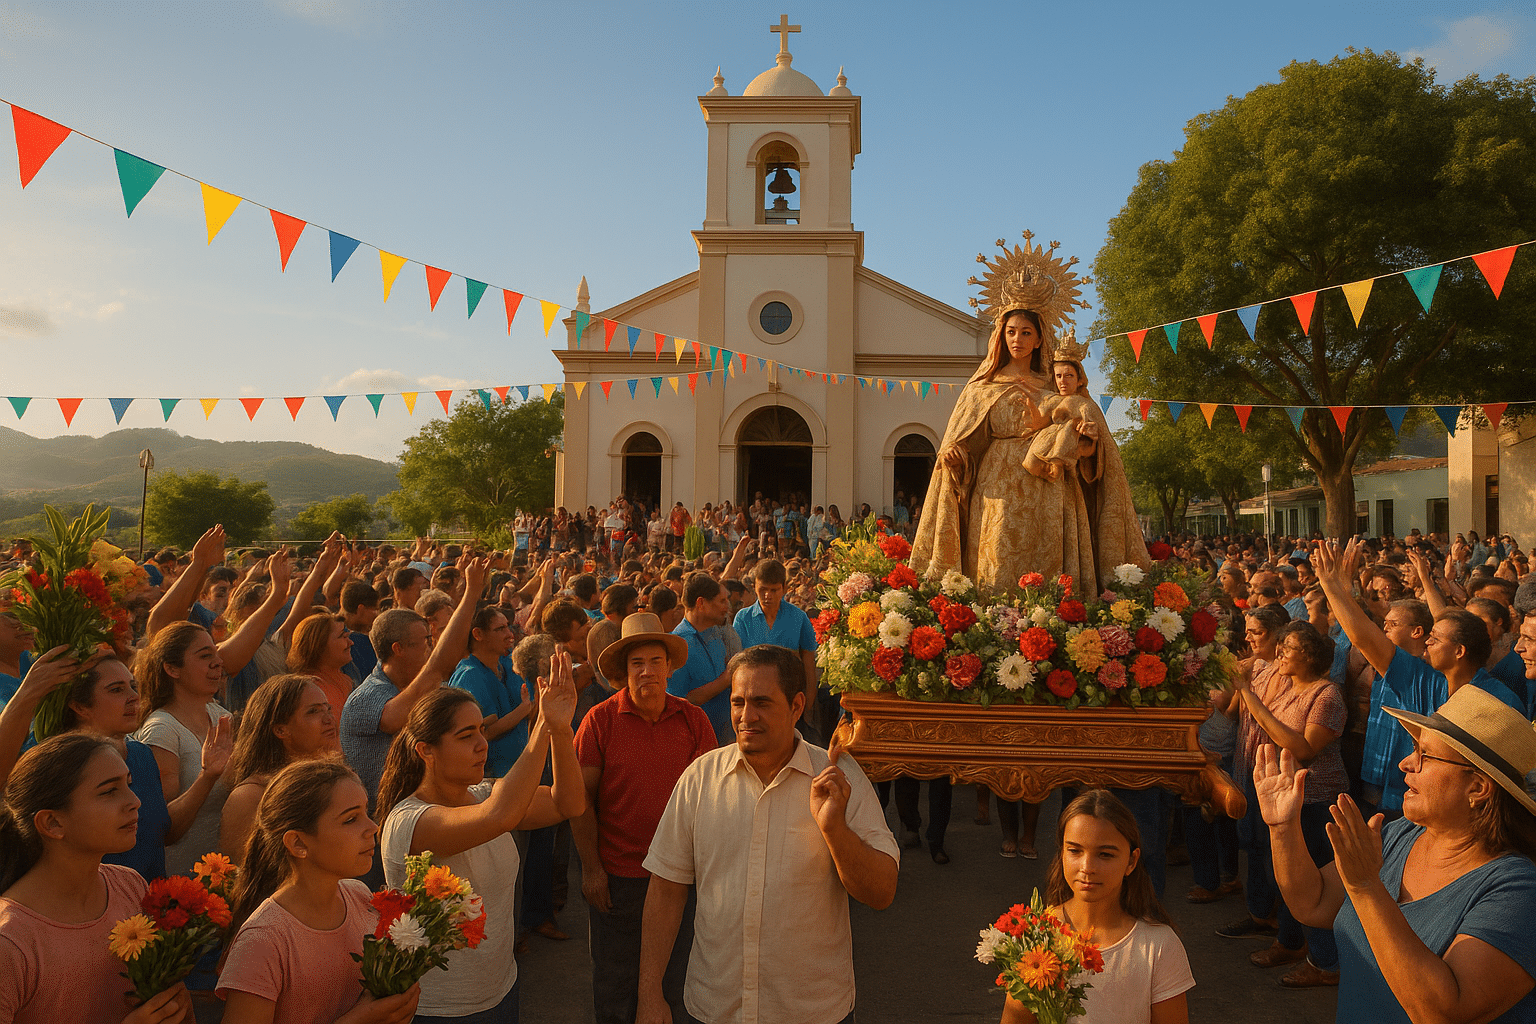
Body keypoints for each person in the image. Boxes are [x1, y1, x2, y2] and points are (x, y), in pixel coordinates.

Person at [637, 644, 899, 1024]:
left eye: (761, 702)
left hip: (812, 1011)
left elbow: (881, 893)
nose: (746, 716)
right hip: (715, 1007)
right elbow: (666, 888)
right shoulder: (701, 777)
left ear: (796, 706)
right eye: (738, 702)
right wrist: (649, 993)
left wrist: (834, 831)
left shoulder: (838, 778)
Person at [1254, 685, 1536, 1023]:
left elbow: (1442, 1013)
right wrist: (1283, 827)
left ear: (1477, 788)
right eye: (1414, 748)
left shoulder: (1519, 891)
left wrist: (1366, 888)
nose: (1406, 763)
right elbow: (1312, 904)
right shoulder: (1400, 834)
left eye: (1425, 754)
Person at [377, 662, 584, 1022]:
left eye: (481, 731)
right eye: (466, 735)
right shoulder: (409, 821)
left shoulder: (485, 793)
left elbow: (568, 803)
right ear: (426, 750)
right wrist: (541, 727)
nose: (481, 744)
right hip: (442, 1008)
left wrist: (561, 731)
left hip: (502, 989)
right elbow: (498, 818)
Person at [909, 283, 1148, 596]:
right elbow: (971, 444)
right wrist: (958, 459)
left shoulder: (1056, 382)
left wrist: (1088, 442)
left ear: (1038, 339)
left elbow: (1085, 435)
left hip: (1048, 488)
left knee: (1048, 561)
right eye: (1010, 332)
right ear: (1001, 335)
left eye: (1025, 333)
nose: (1016, 340)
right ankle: (997, 625)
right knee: (996, 556)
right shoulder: (983, 386)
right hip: (996, 485)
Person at [1313, 539, 1524, 820]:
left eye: (1435, 640)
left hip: (1471, 819)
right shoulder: (1425, 681)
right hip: (1407, 806)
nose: (1426, 643)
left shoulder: (1500, 700)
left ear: (1460, 651)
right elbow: (1365, 638)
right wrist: (1332, 586)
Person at [574, 612, 717, 1024]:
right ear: (624, 671)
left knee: (678, 979)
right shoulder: (598, 721)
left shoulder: (693, 719)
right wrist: (591, 870)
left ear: (670, 667)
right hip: (620, 879)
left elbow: (710, 800)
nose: (647, 671)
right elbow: (581, 801)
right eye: (637, 663)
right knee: (616, 983)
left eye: (655, 661)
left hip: (678, 877)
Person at [0, 733, 193, 1023]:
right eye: (108, 792)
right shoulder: (11, 941)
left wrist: (175, 1003)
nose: (135, 801)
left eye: (128, 784)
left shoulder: (131, 887)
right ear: (52, 822)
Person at [219, 759, 419, 1024]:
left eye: (366, 813)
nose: (372, 827)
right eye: (351, 819)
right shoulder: (262, 941)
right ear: (298, 842)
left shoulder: (359, 897)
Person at [1000, 790, 1194, 1024]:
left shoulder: (1158, 947)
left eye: (1105, 854)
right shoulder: (1036, 936)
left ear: (1131, 861)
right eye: (1075, 851)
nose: (1087, 866)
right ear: (1061, 852)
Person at [1226, 621, 1345, 987]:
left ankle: (1325, 962)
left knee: (1314, 883)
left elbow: (1304, 748)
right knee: (1287, 876)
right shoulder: (1288, 686)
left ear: (1309, 656)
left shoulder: (1327, 695)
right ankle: (1290, 942)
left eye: (1288, 647)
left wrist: (1249, 694)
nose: (1279, 653)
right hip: (1282, 797)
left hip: (1314, 800)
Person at [341, 557, 489, 807]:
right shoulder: (366, 697)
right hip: (380, 826)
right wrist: (470, 595)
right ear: (398, 649)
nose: (430, 647)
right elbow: (435, 671)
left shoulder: (431, 690)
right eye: (424, 642)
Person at [132, 622, 239, 876]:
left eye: (216, 653)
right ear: (172, 669)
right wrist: (207, 776)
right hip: (184, 882)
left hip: (225, 872)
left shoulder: (220, 716)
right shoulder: (162, 731)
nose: (218, 662)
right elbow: (164, 828)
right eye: (205, 656)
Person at [219, 674, 341, 863]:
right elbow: (239, 877)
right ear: (280, 730)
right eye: (313, 711)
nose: (329, 719)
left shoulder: (333, 781)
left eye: (328, 709)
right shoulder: (250, 796)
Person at [732, 559, 820, 738]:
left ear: (785, 588)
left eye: (774, 590)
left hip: (789, 699)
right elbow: (737, 664)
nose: (767, 596)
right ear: (754, 587)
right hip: (754, 699)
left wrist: (808, 701)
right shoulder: (743, 619)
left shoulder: (798, 618)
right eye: (762, 589)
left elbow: (808, 662)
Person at [448, 607, 535, 778]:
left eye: (508, 627)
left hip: (518, 772)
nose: (510, 634)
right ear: (478, 634)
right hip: (490, 778)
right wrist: (523, 710)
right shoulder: (470, 675)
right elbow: (485, 732)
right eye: (500, 629)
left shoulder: (507, 664)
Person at [670, 574, 734, 745]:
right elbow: (680, 701)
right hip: (694, 746)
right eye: (721, 601)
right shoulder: (678, 644)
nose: (727, 607)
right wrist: (727, 678)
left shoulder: (714, 635)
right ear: (701, 603)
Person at [287, 613, 358, 716]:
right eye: (343, 637)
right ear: (319, 645)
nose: (351, 642)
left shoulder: (345, 679)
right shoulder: (310, 690)